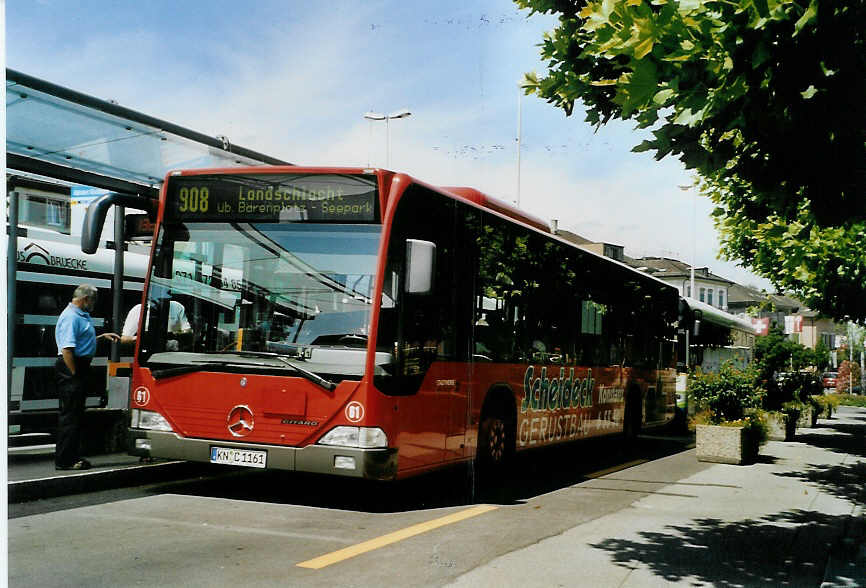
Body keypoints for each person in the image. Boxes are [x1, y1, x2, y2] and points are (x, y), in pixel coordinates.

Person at [54, 284, 120, 470]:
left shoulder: (80, 315)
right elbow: (67, 349)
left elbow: (80, 340)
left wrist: (100, 337)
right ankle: (65, 460)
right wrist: (74, 374)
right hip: (72, 367)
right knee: (71, 415)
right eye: (93, 300)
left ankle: (72, 456)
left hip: (77, 366)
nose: (94, 304)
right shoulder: (71, 317)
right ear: (85, 299)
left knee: (76, 414)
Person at [121, 300, 191, 348]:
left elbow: (188, 332)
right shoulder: (138, 309)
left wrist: (173, 333)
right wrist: (141, 339)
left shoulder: (177, 307)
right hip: (147, 354)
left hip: (172, 354)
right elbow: (124, 339)